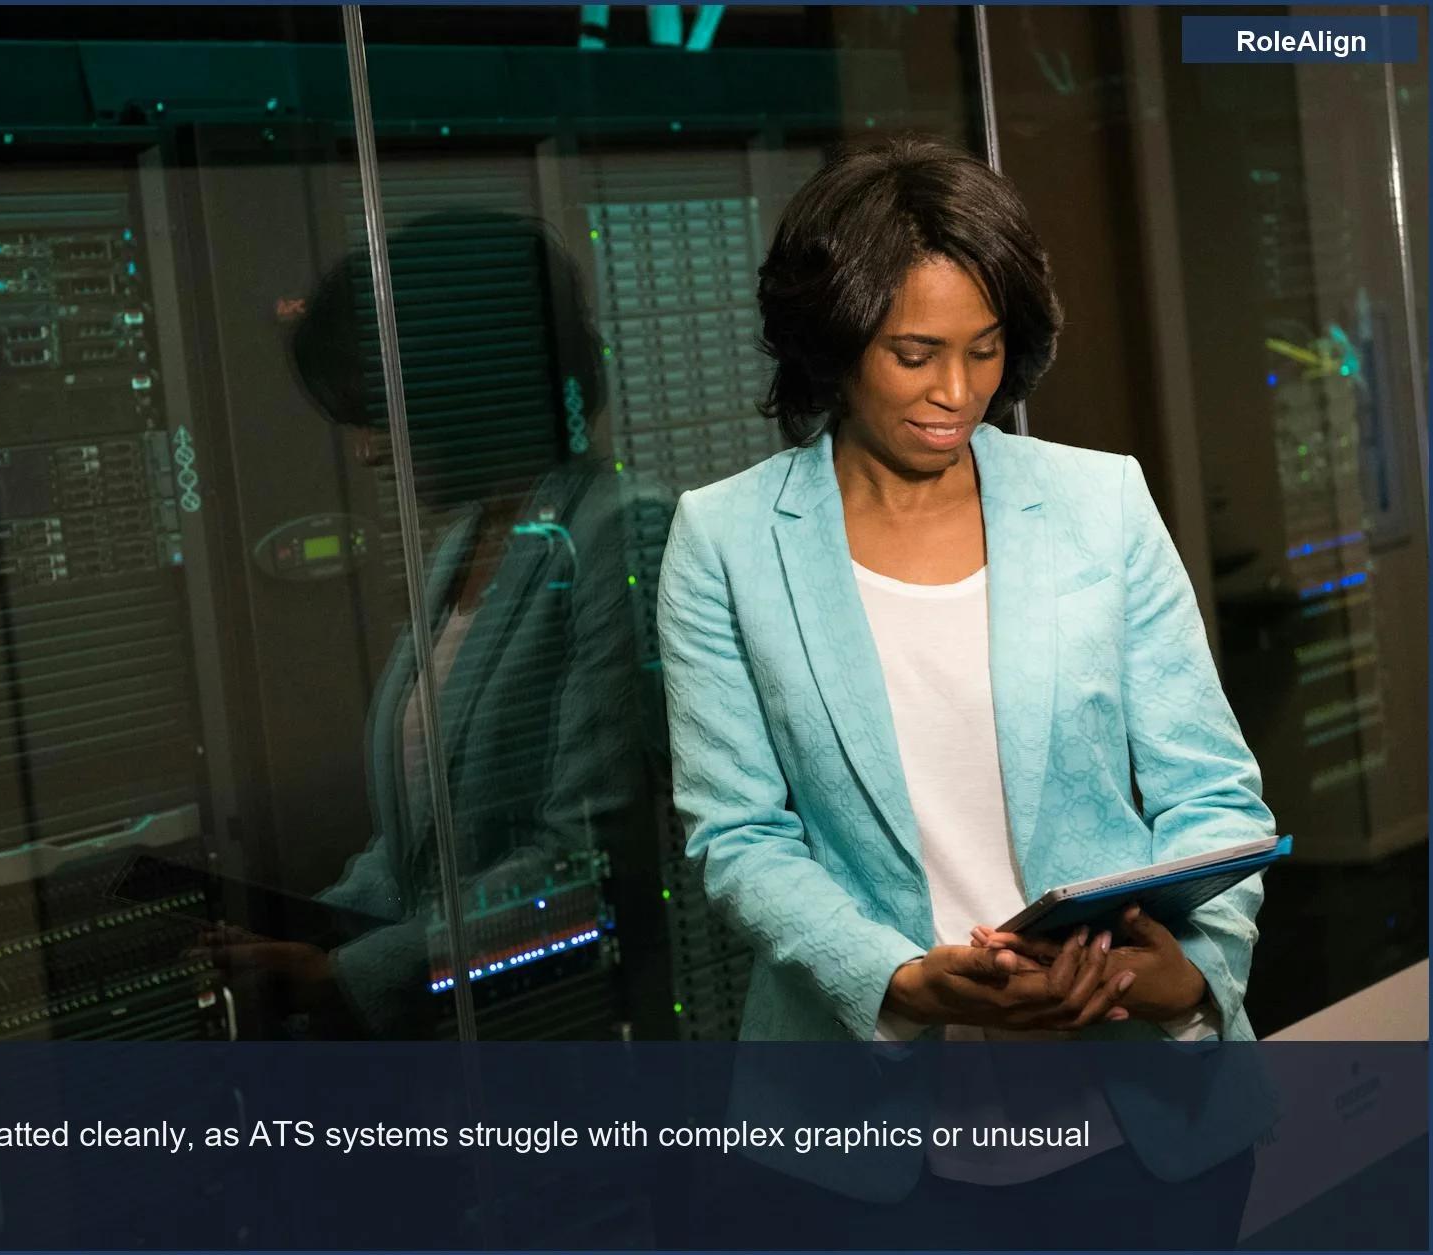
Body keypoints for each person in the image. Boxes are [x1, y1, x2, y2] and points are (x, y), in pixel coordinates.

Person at [656, 136, 1276, 1245]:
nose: (958, 393)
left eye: (985, 351)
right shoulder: (725, 540)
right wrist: (898, 979)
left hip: (1144, 1131)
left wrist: (1187, 977)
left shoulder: (1101, 503)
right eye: (915, 353)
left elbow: (1213, 796)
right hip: (865, 1154)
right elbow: (737, 835)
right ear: (833, 341)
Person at [205, 210, 670, 1041]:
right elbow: (417, 852)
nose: (365, 452)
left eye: (378, 414)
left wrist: (351, 975)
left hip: (568, 1037)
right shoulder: (464, 543)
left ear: (468, 391)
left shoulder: (617, 533)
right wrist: (309, 932)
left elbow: (587, 861)